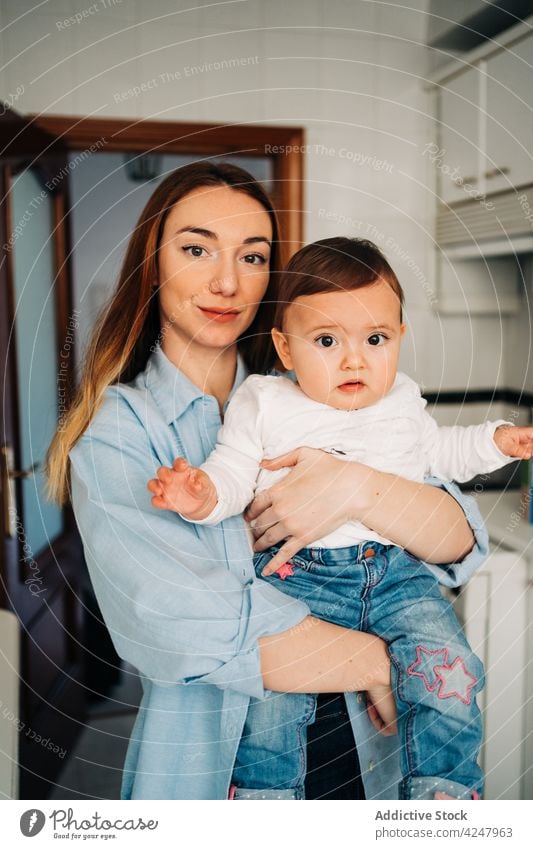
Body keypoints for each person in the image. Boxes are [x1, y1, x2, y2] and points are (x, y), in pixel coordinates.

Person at [46, 162, 489, 800]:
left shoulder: (319, 392)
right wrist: (391, 664)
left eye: (252, 257)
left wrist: (357, 486)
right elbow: (192, 626)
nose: (227, 281)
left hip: (377, 755)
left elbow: (455, 539)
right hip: (223, 765)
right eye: (196, 249)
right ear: (154, 262)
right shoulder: (120, 435)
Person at [149, 236, 533, 800]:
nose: (355, 359)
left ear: (399, 338)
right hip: (296, 574)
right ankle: (264, 796)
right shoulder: (265, 402)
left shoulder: (400, 401)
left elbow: (442, 453)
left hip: (396, 577)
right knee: (276, 693)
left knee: (448, 665)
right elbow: (232, 474)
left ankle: (443, 790)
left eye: (376, 339)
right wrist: (200, 494)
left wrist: (499, 441)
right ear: (284, 348)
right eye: (327, 340)